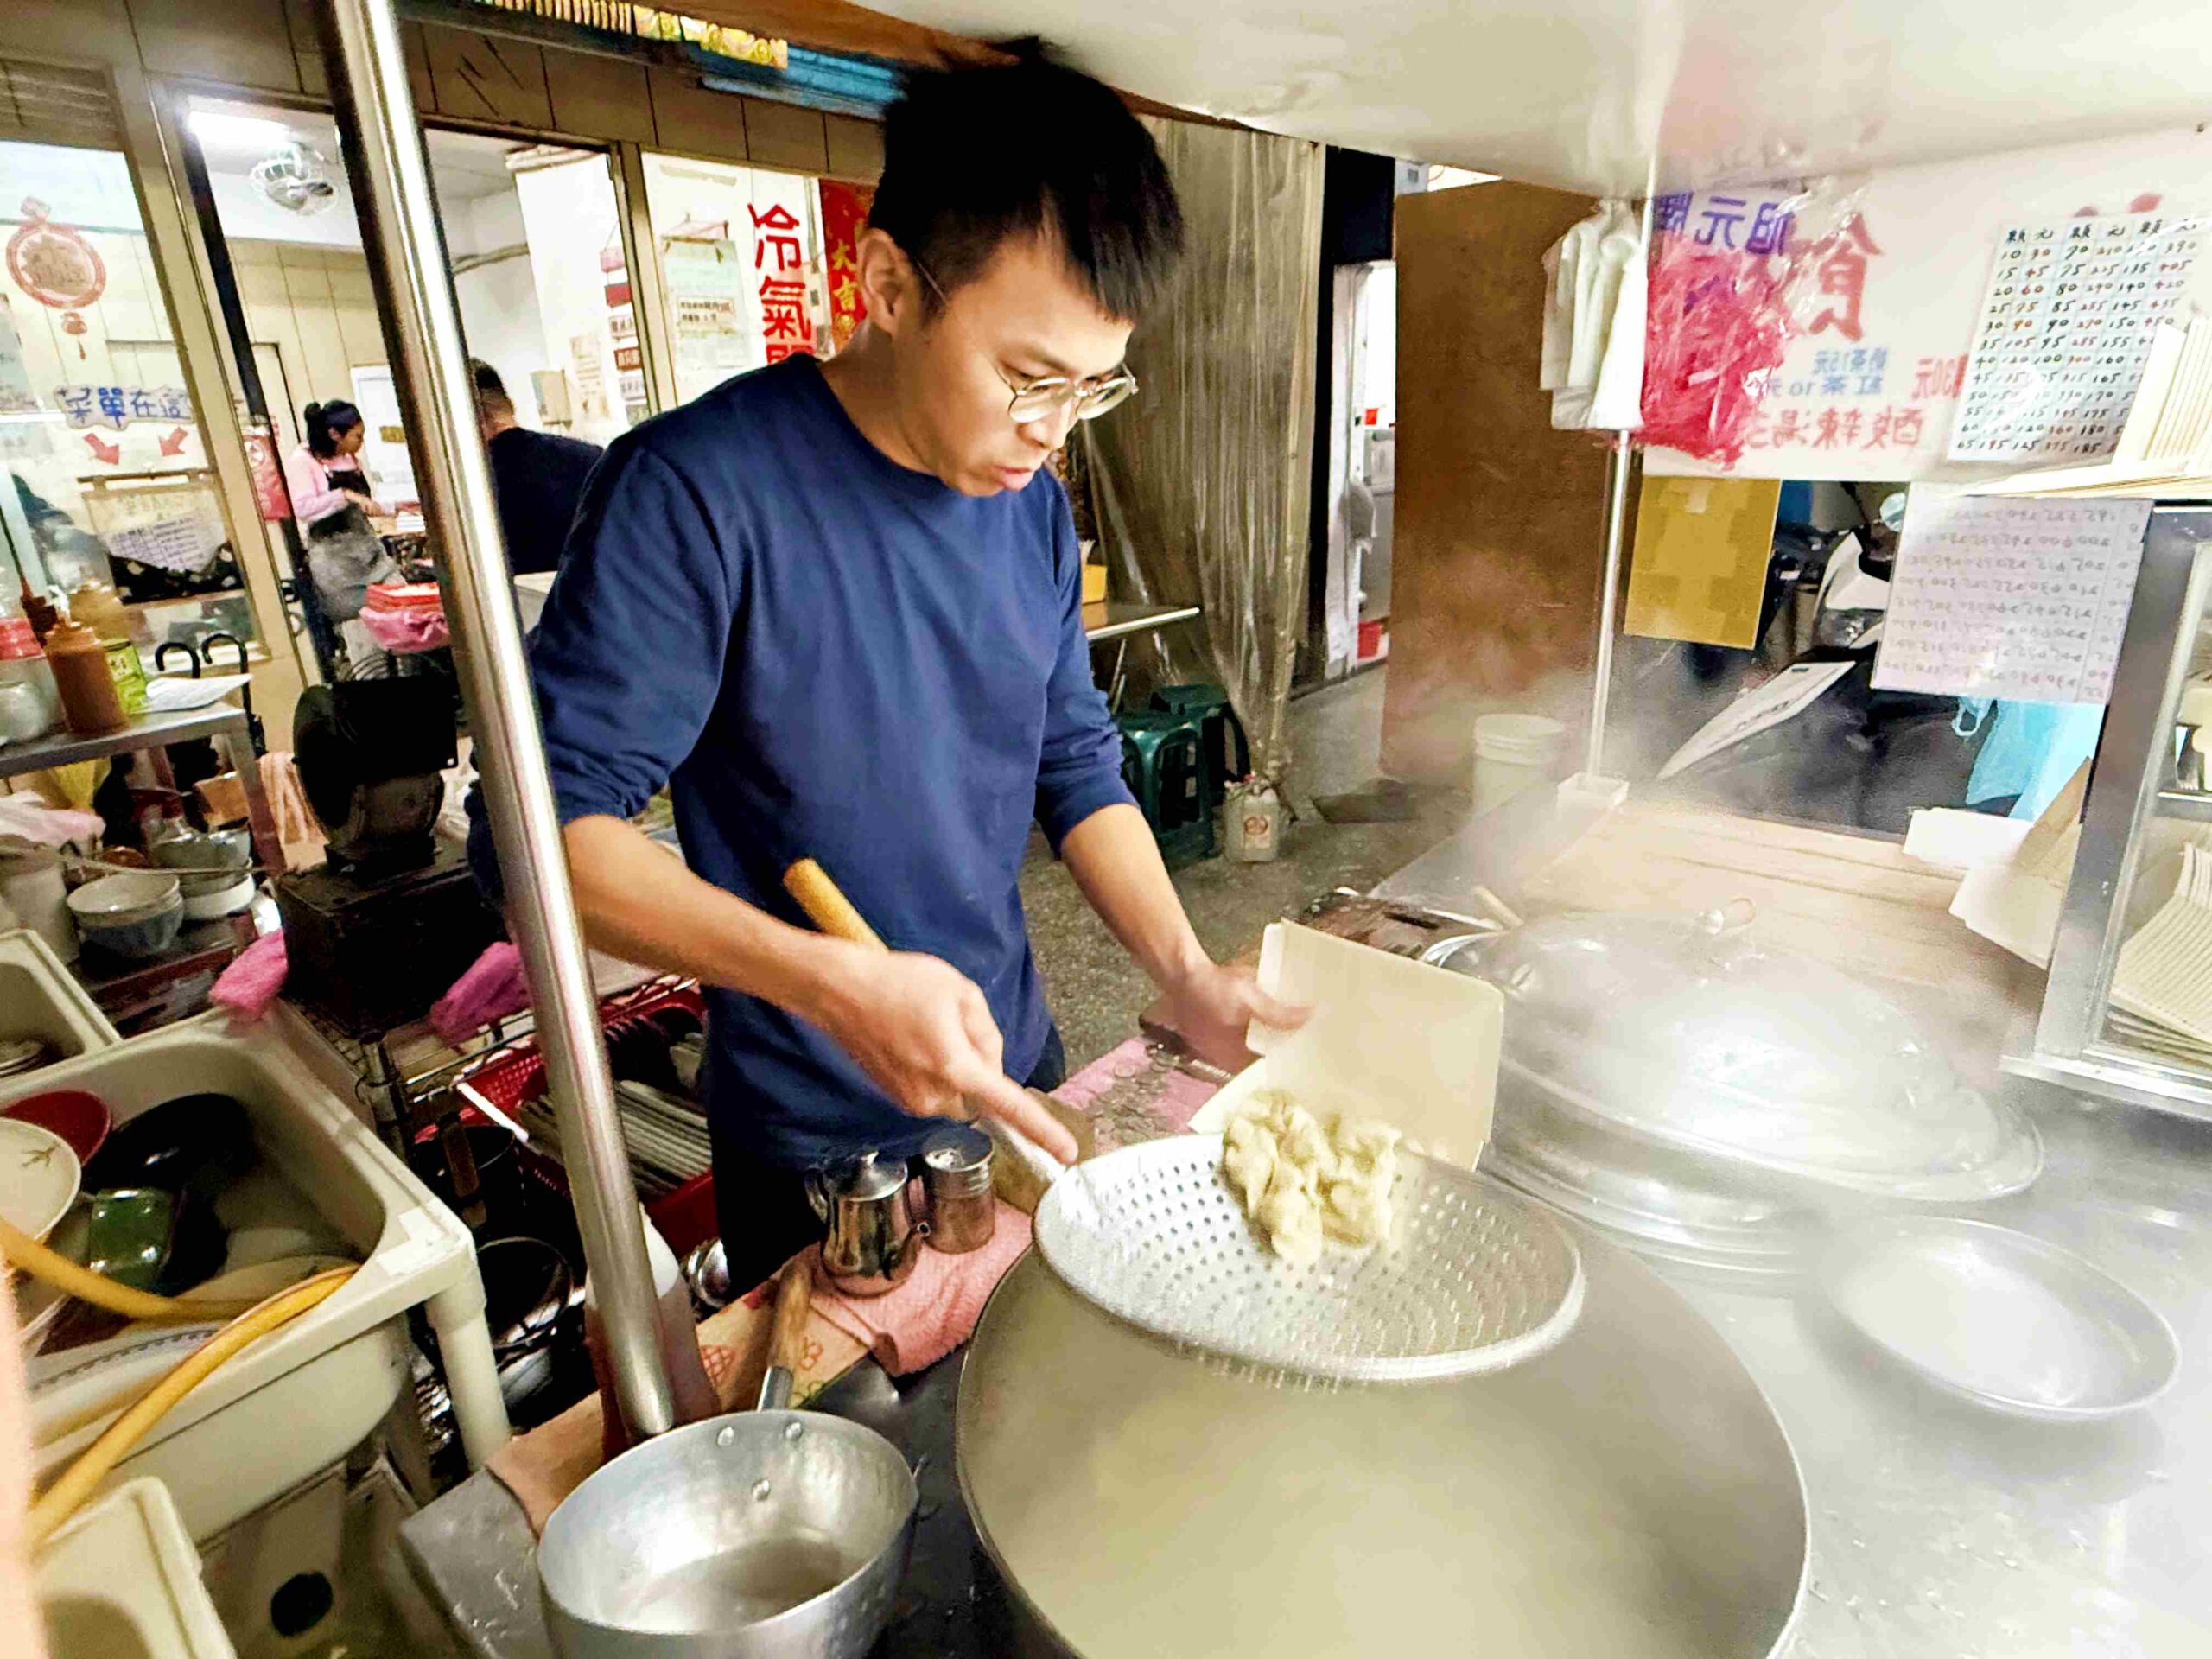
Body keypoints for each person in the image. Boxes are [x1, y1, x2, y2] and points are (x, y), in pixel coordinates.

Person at [474, 57, 1300, 1294]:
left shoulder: (1026, 507)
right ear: (890, 286)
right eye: (1028, 377)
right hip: (824, 1159)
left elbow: (1073, 762)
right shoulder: (697, 493)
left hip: (1019, 1074)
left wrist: (1185, 975)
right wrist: (832, 983)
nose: (1054, 427)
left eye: (1092, 387)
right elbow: (535, 836)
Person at [283, 399, 400, 674]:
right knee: (366, 649)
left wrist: (400, 505)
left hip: (369, 554)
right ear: (335, 433)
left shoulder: (350, 460)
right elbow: (303, 508)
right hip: (338, 566)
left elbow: (366, 503)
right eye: (357, 436)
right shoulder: (303, 461)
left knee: (400, 619)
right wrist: (343, 495)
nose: (361, 442)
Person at [471, 359, 603, 576]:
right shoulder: (590, 456)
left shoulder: (472, 482)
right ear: (511, 405)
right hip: (601, 594)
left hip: (524, 604)